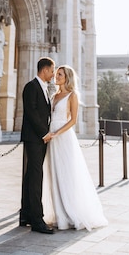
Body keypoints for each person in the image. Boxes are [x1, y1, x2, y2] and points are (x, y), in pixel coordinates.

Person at [42, 65, 108, 231]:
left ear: (67, 77)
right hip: (52, 136)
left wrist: (56, 133)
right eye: (56, 74)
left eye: (60, 75)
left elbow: (72, 121)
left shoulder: (72, 95)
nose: (56, 77)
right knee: (54, 173)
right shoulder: (54, 95)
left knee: (67, 173)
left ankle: (72, 213)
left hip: (63, 137)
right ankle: (60, 214)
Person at [20, 56, 55, 234]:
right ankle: (37, 220)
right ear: (44, 70)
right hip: (35, 138)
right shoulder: (31, 87)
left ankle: (25, 214)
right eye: (52, 70)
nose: (54, 73)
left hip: (39, 139)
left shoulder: (44, 89)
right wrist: (44, 133)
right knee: (36, 177)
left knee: (30, 176)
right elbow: (32, 113)